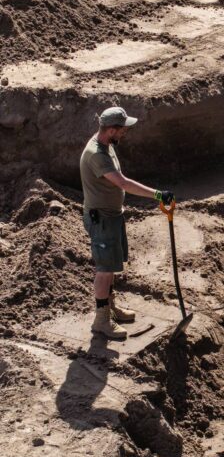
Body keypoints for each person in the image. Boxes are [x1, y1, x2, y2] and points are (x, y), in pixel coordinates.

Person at [80, 107, 174, 340]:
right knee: (104, 270)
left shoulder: (106, 145)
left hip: (111, 216)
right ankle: (101, 320)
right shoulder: (96, 154)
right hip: (101, 219)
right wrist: (158, 195)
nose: (124, 134)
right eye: (122, 130)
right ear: (111, 129)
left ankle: (110, 307)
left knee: (111, 266)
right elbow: (123, 183)